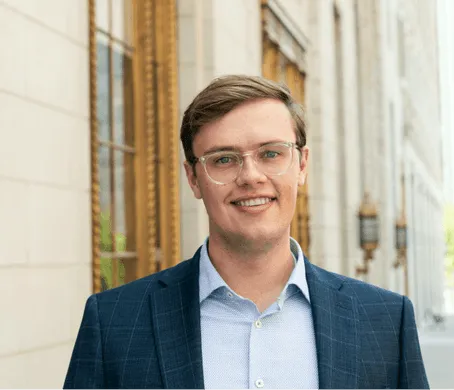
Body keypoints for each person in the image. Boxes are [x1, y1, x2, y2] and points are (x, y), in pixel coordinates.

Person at [64, 75, 429, 389]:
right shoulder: (114, 322)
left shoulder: (384, 320)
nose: (251, 177)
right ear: (193, 178)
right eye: (223, 159)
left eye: (271, 154)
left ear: (302, 164)